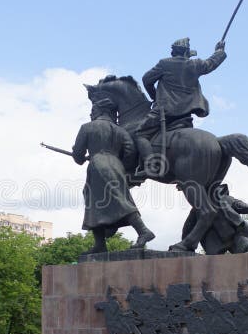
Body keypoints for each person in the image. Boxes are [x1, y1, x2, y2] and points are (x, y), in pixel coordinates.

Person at [72, 97, 155, 253]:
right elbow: (130, 151)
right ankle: (100, 244)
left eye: (93, 111)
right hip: (117, 166)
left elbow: (78, 157)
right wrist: (120, 163)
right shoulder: (120, 130)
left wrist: (78, 153)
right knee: (114, 198)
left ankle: (143, 231)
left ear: (101, 111)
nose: (91, 114)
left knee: (99, 201)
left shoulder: (87, 128)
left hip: (97, 166)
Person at [135, 37, 227, 176]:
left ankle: (151, 165)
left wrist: (154, 97)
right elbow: (211, 63)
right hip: (185, 114)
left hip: (165, 111)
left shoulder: (164, 64)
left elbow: (146, 79)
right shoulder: (194, 65)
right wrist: (219, 51)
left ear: (173, 52)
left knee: (140, 133)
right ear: (186, 52)